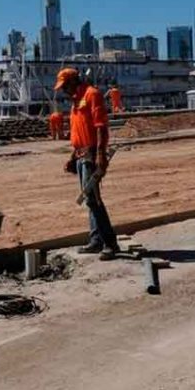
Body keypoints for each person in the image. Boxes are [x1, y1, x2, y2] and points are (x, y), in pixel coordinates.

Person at [55, 68, 120, 260]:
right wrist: (73, 157)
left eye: (65, 86)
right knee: (90, 202)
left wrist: (100, 155)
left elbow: (100, 127)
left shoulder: (92, 94)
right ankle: (96, 240)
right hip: (81, 155)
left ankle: (110, 243)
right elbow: (80, 132)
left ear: (74, 81)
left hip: (92, 154)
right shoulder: (76, 101)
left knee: (93, 199)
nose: (63, 90)